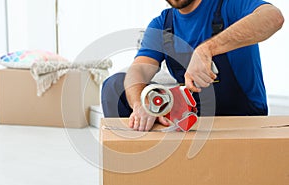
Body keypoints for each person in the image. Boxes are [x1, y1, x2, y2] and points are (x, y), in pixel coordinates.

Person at [101, 0, 284, 131]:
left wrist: (207, 49)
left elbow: (273, 17)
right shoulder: (162, 25)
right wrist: (140, 104)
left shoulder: (229, 4)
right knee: (114, 87)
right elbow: (138, 69)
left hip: (241, 118)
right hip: (192, 120)